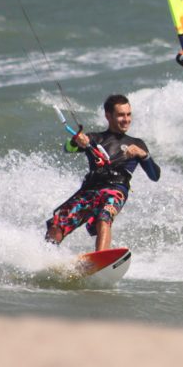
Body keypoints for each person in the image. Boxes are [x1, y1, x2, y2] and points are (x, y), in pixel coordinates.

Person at [45, 94, 160, 251]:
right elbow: (67, 148)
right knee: (57, 223)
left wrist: (144, 155)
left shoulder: (137, 144)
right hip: (90, 190)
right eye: (121, 115)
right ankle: (46, 257)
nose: (126, 119)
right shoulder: (94, 139)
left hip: (116, 190)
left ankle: (101, 258)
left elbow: (155, 176)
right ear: (108, 116)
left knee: (103, 217)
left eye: (128, 114)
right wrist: (76, 141)